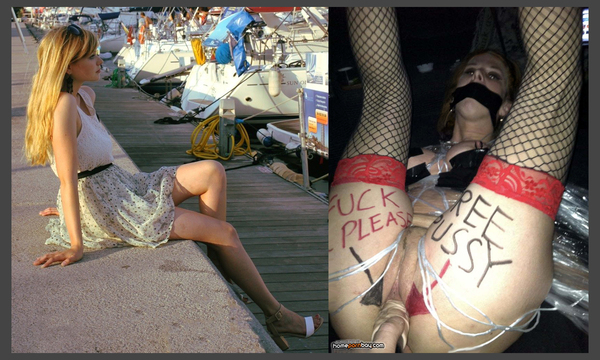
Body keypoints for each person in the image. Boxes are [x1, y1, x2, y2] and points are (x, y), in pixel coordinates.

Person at [24, 24, 322, 352]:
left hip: (120, 184)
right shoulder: (64, 106)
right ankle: (278, 314)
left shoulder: (85, 95)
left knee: (212, 171)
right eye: (91, 55)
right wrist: (76, 242)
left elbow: (86, 161)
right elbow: (69, 179)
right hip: (108, 206)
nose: (99, 60)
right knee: (225, 232)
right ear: (68, 64)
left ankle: (221, 263)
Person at [329, 7, 582, 353]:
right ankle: (356, 347)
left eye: (493, 76)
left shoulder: (516, 150)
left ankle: (360, 347)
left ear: (507, 105)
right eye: (470, 72)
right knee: (384, 88)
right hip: (373, 279)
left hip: (455, 277)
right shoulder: (418, 146)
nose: (478, 77)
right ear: (454, 92)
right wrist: (437, 162)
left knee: (553, 77)